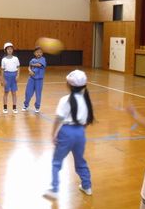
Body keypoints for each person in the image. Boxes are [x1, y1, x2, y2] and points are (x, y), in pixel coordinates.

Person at [44, 70, 94, 200]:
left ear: (68, 84)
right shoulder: (86, 100)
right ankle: (87, 186)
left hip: (66, 132)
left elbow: (58, 119)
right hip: (80, 133)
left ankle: (54, 189)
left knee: (56, 162)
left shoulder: (64, 100)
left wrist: (53, 134)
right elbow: (86, 121)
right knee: (80, 161)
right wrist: (80, 131)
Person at [22, 46, 46, 113]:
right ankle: (25, 105)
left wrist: (32, 64)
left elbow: (39, 65)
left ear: (42, 53)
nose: (39, 53)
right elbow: (29, 67)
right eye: (37, 52)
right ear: (34, 53)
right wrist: (30, 71)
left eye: (40, 52)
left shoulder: (43, 59)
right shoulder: (32, 60)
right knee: (28, 93)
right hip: (31, 79)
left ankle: (37, 107)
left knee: (38, 94)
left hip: (39, 80)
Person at [1, 42, 20, 114]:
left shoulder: (16, 58)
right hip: (7, 76)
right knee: (6, 92)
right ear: (5, 50)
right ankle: (5, 108)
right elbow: (2, 70)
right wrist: (2, 79)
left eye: (11, 49)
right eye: (8, 49)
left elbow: (18, 67)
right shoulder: (4, 59)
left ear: (12, 50)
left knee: (14, 92)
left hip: (14, 76)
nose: (9, 50)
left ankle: (14, 108)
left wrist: (18, 75)